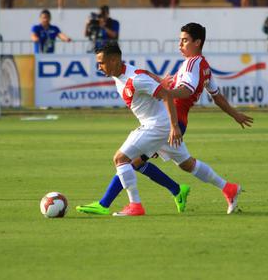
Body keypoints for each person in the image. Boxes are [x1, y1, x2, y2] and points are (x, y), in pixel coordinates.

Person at [77, 23, 253, 215]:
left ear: (197, 42)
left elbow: (186, 91)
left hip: (168, 121)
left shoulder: (192, 63)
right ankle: (226, 188)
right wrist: (235, 115)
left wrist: (165, 98)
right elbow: (216, 96)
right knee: (186, 163)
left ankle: (119, 205)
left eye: (184, 40)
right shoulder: (203, 67)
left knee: (125, 159)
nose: (180, 45)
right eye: (180, 40)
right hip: (171, 120)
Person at [79, 42, 184, 216]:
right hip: (155, 125)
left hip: (158, 125)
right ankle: (178, 189)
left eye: (101, 62)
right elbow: (145, 72)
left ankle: (131, 205)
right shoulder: (120, 72)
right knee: (141, 162)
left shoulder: (135, 79)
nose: (99, 67)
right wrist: (159, 79)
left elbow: (165, 95)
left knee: (121, 159)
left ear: (114, 60)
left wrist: (174, 127)